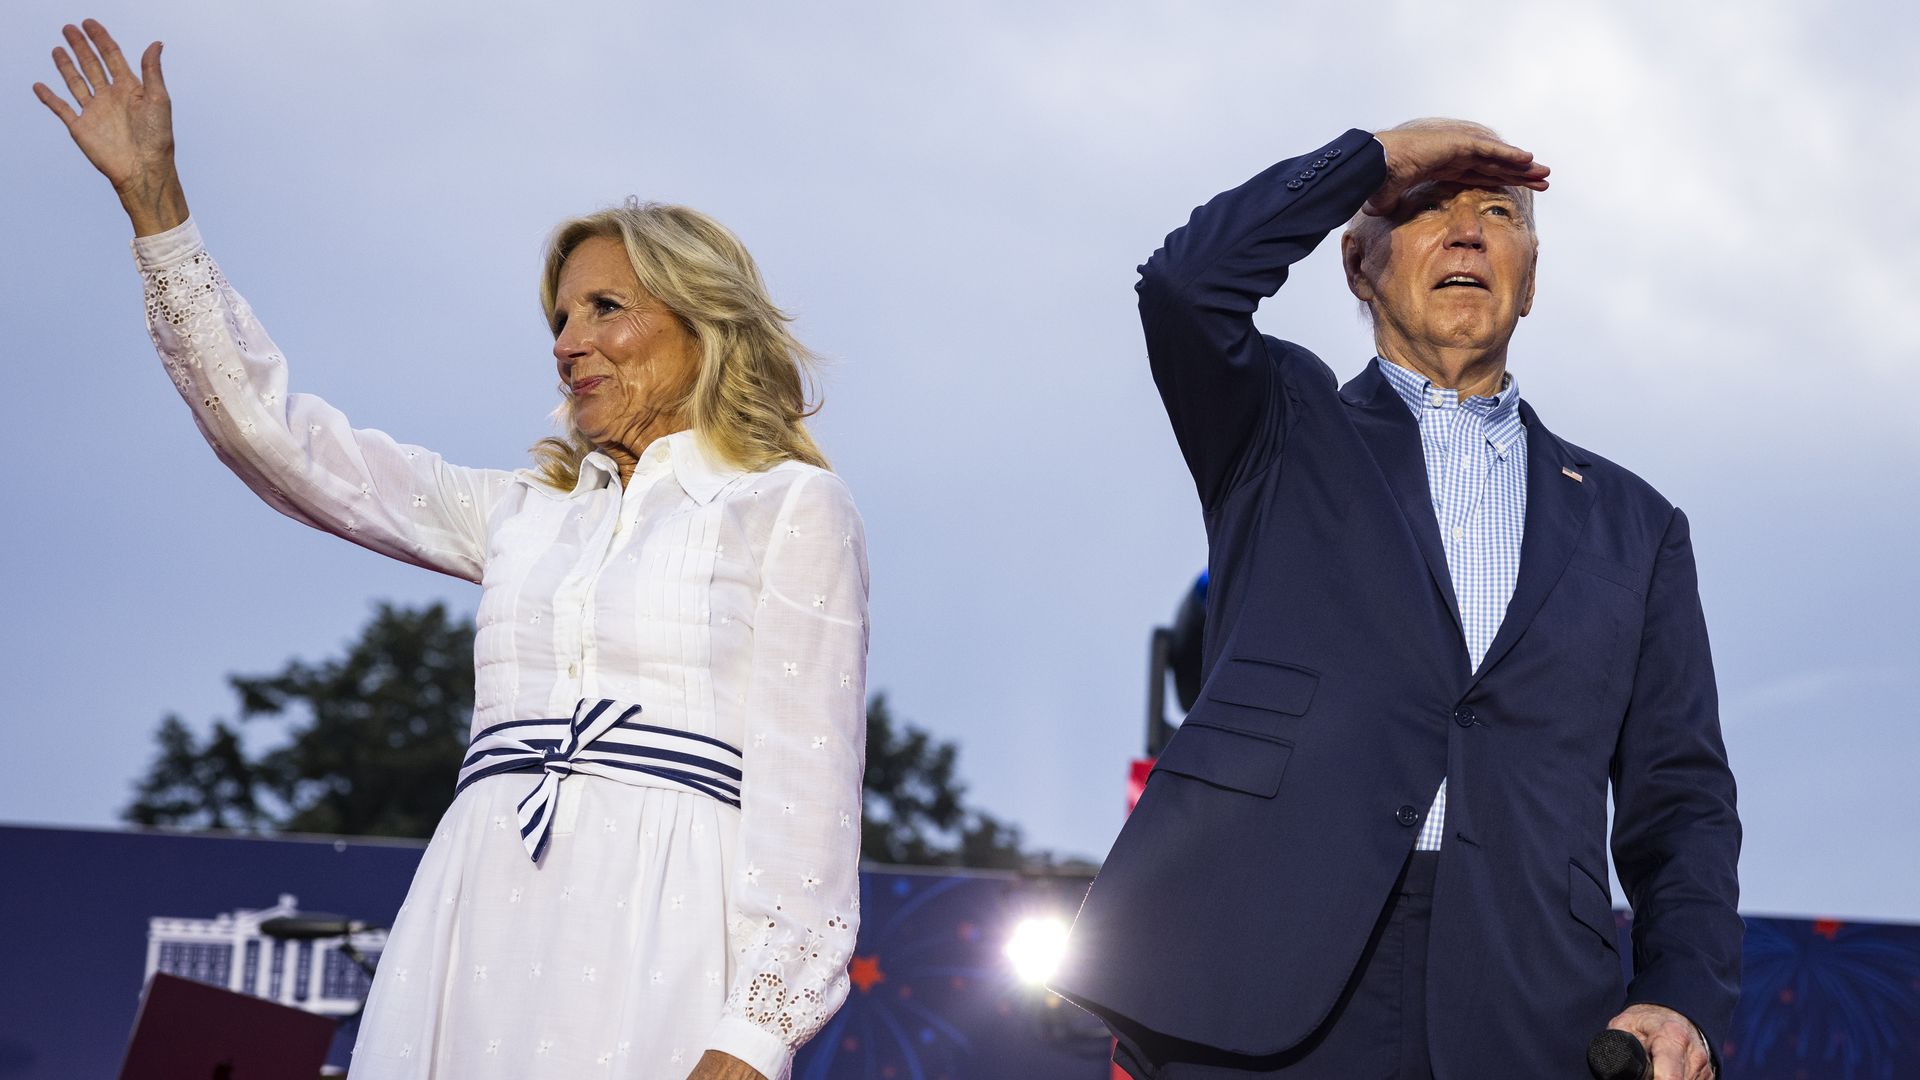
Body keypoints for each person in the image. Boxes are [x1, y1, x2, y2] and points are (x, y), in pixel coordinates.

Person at [35, 20, 868, 1080]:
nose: (568, 341)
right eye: (560, 316)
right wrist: (157, 209)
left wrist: (747, 1042)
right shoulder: (525, 515)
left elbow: (809, 809)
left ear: (702, 323)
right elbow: (277, 438)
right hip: (475, 924)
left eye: (605, 307)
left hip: (665, 940)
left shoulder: (790, 507)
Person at [1052, 121, 1741, 1080]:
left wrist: (1684, 997)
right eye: (1425, 211)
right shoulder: (1280, 429)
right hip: (1258, 980)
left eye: (1498, 214)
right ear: (1357, 263)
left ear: (1530, 280)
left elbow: (1685, 805)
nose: (1466, 235)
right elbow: (1184, 284)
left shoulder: (1638, 524)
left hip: (1529, 1004)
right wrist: (1374, 158)